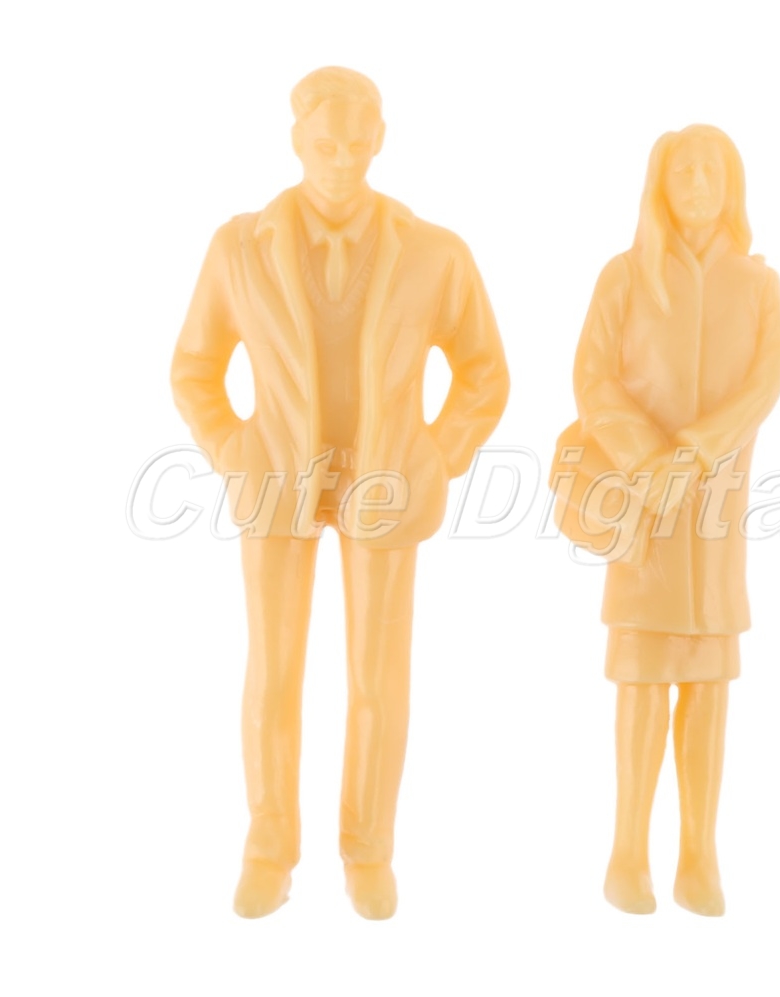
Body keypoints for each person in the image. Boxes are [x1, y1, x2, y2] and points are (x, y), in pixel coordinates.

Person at [171, 67, 509, 920]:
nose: (341, 159)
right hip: (275, 480)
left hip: (385, 481)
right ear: (297, 141)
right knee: (273, 673)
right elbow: (194, 368)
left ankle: (368, 850)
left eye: (357, 144)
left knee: (377, 680)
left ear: (380, 141)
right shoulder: (237, 248)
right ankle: (268, 846)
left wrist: (435, 455)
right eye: (325, 144)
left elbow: (484, 372)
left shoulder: (435, 253)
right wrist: (233, 448)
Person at [553, 124, 780, 915]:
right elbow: (592, 378)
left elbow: (766, 383)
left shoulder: (759, 286)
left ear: (732, 183)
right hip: (641, 506)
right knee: (642, 677)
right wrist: (647, 459)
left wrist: (695, 453)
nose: (696, 183)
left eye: (710, 169)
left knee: (709, 682)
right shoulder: (624, 278)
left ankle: (698, 854)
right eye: (682, 170)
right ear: (659, 184)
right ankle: (627, 852)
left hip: (715, 510)